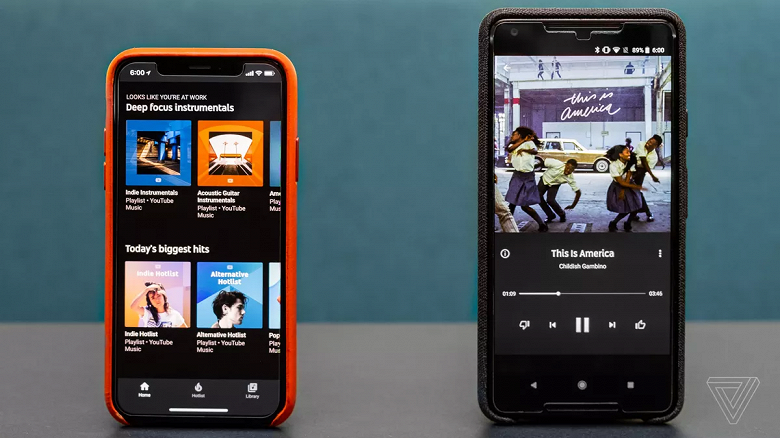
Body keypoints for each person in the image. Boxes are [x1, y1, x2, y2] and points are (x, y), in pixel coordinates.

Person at [504, 126, 547, 232]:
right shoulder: (513, 145)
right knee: (512, 203)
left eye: (514, 134)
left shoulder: (529, 143)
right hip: (517, 175)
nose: (512, 136)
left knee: (524, 205)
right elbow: (509, 149)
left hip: (528, 176)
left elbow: (534, 151)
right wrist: (522, 141)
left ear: (519, 135)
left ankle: (542, 224)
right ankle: (508, 227)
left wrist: (524, 148)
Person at [604, 145, 646, 232]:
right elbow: (621, 182)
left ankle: (628, 223)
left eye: (629, 152)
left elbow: (628, 177)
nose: (629, 153)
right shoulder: (613, 166)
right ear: (620, 155)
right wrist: (634, 187)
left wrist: (626, 189)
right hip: (618, 187)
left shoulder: (630, 162)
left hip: (629, 184)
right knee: (625, 208)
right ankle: (614, 223)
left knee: (637, 205)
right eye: (627, 152)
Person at [630, 134, 663, 222]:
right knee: (633, 193)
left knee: (636, 192)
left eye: (652, 143)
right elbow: (643, 160)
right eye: (649, 140)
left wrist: (636, 176)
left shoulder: (654, 157)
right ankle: (636, 213)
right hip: (631, 168)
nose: (648, 143)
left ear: (656, 146)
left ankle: (646, 213)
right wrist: (652, 176)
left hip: (640, 172)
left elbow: (645, 168)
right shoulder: (641, 144)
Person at [537, 158, 581, 223]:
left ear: (573, 170)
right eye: (567, 168)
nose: (568, 171)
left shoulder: (570, 178)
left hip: (555, 184)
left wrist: (572, 206)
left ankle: (562, 214)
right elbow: (543, 163)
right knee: (538, 197)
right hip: (544, 180)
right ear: (565, 165)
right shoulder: (557, 164)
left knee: (550, 200)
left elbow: (578, 192)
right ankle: (550, 215)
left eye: (571, 170)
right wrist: (532, 168)